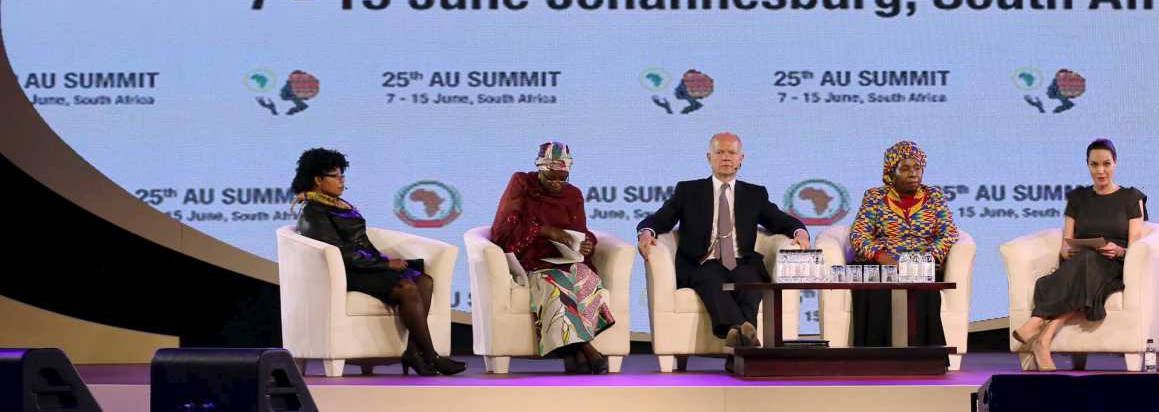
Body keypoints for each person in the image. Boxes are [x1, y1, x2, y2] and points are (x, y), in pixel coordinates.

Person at [291, 148, 464, 376]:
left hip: (366, 265)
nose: (342, 181)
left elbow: (360, 243)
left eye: (343, 175)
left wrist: (384, 261)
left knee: (425, 281)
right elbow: (340, 253)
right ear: (317, 179)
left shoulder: (336, 203)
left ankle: (413, 353)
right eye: (336, 176)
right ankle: (431, 357)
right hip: (347, 272)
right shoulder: (313, 211)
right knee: (407, 287)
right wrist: (385, 265)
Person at [636, 132, 811, 348]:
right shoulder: (689, 191)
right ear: (709, 157)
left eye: (731, 153)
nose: (726, 157)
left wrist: (800, 232)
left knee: (751, 282)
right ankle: (746, 334)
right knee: (711, 280)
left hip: (742, 262)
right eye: (719, 152)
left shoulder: (754, 194)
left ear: (741, 158)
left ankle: (737, 334)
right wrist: (647, 232)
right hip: (701, 262)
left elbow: (779, 220)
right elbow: (662, 218)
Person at [1010, 139, 1146, 371]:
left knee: (1087, 265)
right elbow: (1065, 243)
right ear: (1087, 165)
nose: (1100, 171)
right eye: (1094, 164)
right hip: (1081, 263)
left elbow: (1135, 246)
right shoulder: (1077, 198)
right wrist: (1067, 249)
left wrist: (1119, 250)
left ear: (1115, 163)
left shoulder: (1131, 197)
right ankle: (1043, 341)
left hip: (1113, 265)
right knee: (1085, 264)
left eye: (1106, 164)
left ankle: (1037, 322)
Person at [489, 142, 616, 374]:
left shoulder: (573, 194)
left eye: (562, 177)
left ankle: (578, 354)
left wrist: (586, 243)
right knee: (556, 287)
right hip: (531, 261)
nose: (557, 183)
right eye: (551, 177)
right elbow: (502, 231)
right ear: (540, 168)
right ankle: (588, 350)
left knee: (587, 279)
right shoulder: (522, 183)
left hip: (565, 260)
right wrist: (544, 231)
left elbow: (581, 231)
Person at [847, 140, 959, 346]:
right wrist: (882, 257)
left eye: (917, 167)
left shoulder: (934, 196)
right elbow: (859, 234)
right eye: (905, 168)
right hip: (884, 263)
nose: (913, 173)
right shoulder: (875, 197)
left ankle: (923, 356)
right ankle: (878, 354)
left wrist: (926, 259)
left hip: (921, 264)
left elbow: (948, 232)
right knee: (877, 281)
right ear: (892, 172)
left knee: (921, 280)